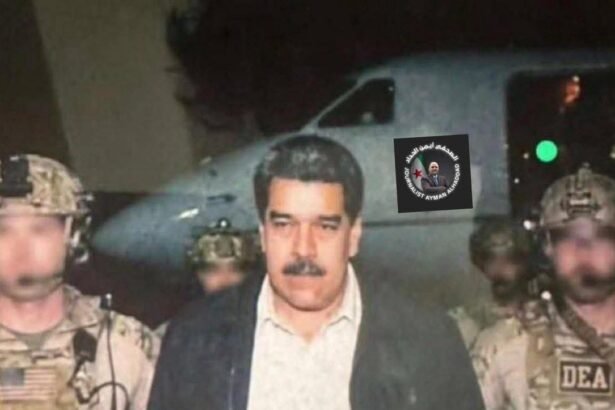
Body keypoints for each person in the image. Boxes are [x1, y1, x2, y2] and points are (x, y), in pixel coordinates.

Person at [148, 135, 484, 410]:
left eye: (325, 226)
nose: (303, 249)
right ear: (263, 234)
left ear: (353, 236)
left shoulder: (426, 340)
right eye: (284, 225)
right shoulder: (195, 339)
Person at [0, 154, 159, 409]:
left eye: (39, 229)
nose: (20, 247)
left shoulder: (125, 343)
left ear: (73, 235)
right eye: (3, 230)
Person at [472, 163, 615, 409]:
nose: (584, 252)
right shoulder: (503, 346)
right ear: (548, 246)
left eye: (599, 236)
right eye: (567, 237)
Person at [155, 218, 259, 337]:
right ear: (197, 275)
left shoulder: (268, 326)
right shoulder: (176, 333)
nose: (224, 280)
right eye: (212, 270)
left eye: (235, 269)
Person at [449, 218, 534, 348]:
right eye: (491, 259)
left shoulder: (542, 319)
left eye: (510, 259)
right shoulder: (463, 325)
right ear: (480, 265)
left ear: (523, 263)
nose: (500, 268)